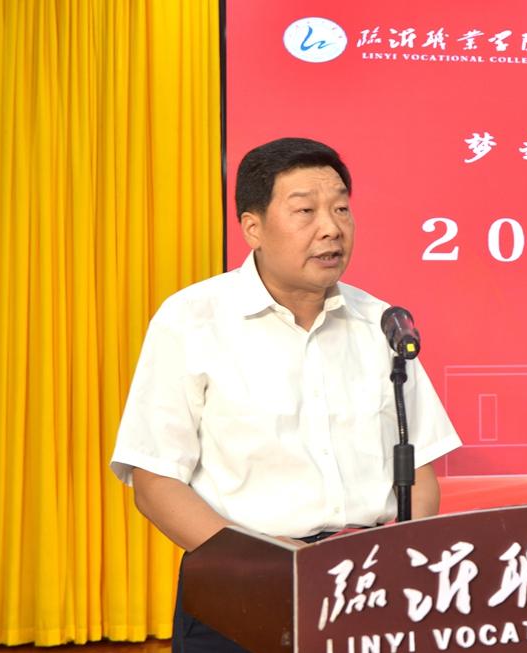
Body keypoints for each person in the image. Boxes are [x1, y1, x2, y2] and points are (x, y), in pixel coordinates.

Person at [110, 137, 462, 652]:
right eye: (305, 211)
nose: (331, 228)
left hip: (368, 585)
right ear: (252, 227)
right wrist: (261, 562)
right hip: (239, 589)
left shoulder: (380, 322)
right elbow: (154, 480)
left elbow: (421, 472)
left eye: (341, 208)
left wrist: (395, 559)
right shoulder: (191, 321)